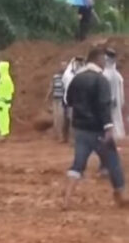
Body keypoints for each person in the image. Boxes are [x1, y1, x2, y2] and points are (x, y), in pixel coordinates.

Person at [63, 47, 126, 208]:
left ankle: (67, 199)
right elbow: (103, 105)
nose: (105, 63)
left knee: (78, 163)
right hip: (98, 129)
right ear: (97, 60)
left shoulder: (76, 79)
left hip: (80, 129)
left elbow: (68, 100)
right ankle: (120, 196)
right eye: (103, 60)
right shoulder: (100, 80)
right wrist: (109, 127)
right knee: (113, 161)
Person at [102, 49, 125, 140]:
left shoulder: (106, 74)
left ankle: (113, 137)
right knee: (115, 118)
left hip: (109, 100)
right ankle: (116, 136)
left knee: (111, 119)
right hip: (115, 100)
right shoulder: (116, 74)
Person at [49, 60, 70, 143]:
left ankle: (63, 137)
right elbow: (51, 87)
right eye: (62, 65)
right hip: (55, 99)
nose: (63, 67)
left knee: (62, 119)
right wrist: (48, 97)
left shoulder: (68, 77)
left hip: (63, 100)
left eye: (65, 65)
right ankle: (59, 135)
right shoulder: (56, 77)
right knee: (56, 118)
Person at [0, 60, 15, 139]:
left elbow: (10, 90)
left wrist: (3, 99)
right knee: (1, 118)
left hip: (3, 102)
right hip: (0, 102)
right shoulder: (3, 78)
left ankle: (4, 132)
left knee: (3, 118)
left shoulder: (5, 79)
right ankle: (1, 131)